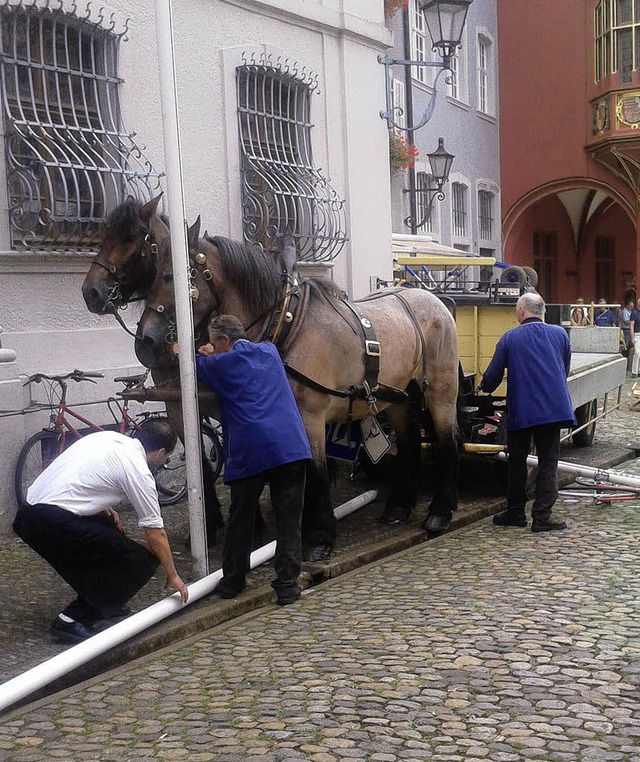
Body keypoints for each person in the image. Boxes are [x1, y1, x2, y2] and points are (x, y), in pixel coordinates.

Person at [13, 420, 189, 644]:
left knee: (108, 528)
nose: (163, 463)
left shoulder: (108, 438)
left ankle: (106, 601)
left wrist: (101, 505)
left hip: (28, 512)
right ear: (160, 452)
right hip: (48, 522)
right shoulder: (138, 470)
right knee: (136, 561)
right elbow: (156, 534)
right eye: (166, 459)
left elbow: (80, 472)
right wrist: (172, 574)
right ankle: (71, 619)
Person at [194, 314, 312, 605]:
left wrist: (200, 353)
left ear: (224, 340)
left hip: (252, 450)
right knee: (288, 520)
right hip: (290, 447)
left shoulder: (218, 363)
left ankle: (233, 582)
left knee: (240, 519)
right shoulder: (269, 351)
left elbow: (195, 365)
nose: (212, 347)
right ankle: (286, 586)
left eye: (214, 342)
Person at [478, 292, 576, 532]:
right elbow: (564, 368)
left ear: (521, 311)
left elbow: (492, 377)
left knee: (517, 464)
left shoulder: (510, 338)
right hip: (553, 409)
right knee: (547, 463)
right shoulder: (560, 334)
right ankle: (542, 517)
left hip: (522, 410)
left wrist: (484, 387)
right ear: (541, 311)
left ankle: (515, 513)